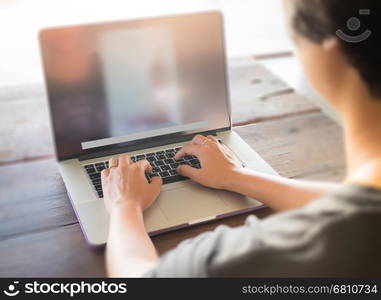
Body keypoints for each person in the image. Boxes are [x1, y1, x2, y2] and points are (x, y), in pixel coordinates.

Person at [101, 0, 381, 277]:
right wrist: (238, 176)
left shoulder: (247, 260)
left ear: (334, 47)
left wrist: (124, 206)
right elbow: (351, 205)